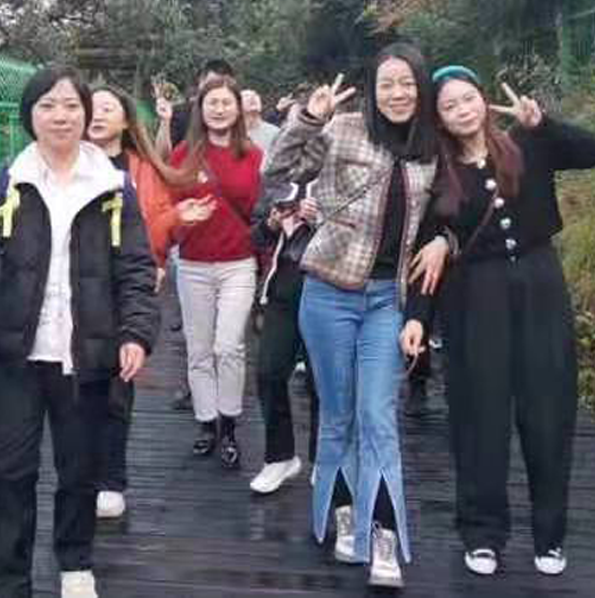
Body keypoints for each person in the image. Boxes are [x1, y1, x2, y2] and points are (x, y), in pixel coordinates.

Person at [0, 67, 160, 598]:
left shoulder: (113, 187)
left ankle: (76, 564)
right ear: (29, 115)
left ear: (86, 114)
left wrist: (136, 333)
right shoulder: (10, 181)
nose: (61, 116)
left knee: (80, 469)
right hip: (16, 356)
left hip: (87, 355)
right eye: (48, 105)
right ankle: (11, 579)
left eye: (72, 106)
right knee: (11, 470)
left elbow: (136, 268)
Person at [400, 67, 595, 578]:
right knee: (479, 417)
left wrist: (544, 124)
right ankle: (482, 534)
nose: (462, 110)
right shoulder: (436, 175)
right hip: (475, 298)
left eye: (468, 99)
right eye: (449, 106)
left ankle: (550, 537)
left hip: (541, 289)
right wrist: (417, 318)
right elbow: (427, 252)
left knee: (548, 413)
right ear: (439, 119)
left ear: (484, 100)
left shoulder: (527, 145)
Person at [264, 43, 449, 588]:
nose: (397, 93)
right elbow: (276, 170)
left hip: (387, 301)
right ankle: (345, 513)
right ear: (372, 89)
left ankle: (384, 537)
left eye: (407, 83)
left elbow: (448, 212)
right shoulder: (344, 129)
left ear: (421, 88)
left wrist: (445, 240)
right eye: (387, 83)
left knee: (378, 416)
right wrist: (308, 118)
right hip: (328, 292)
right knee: (338, 413)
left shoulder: (432, 147)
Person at [86, 84, 184, 519]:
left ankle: (111, 479)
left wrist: (154, 260)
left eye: (108, 108)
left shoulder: (142, 169)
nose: (97, 115)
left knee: (115, 385)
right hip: (71, 291)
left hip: (121, 289)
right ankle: (82, 474)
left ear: (126, 120)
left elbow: (158, 222)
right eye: (91, 107)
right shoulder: (65, 164)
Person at [169, 75, 264, 470]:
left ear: (238, 109)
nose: (220, 109)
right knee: (199, 350)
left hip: (238, 263)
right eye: (212, 103)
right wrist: (181, 218)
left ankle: (229, 424)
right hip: (193, 264)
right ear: (201, 109)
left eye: (227, 102)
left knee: (228, 346)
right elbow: (167, 207)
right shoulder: (183, 154)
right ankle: (207, 423)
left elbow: (262, 209)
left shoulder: (253, 155)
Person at [248, 174, 318, 494]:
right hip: (282, 290)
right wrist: (273, 222)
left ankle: (324, 457)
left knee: (322, 382)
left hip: (327, 291)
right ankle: (280, 456)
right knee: (268, 372)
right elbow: (256, 235)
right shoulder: (280, 176)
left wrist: (321, 219)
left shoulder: (346, 168)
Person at [241, 89, 282, 160]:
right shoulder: (230, 135)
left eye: (255, 95)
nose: (252, 97)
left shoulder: (276, 133)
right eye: (246, 96)